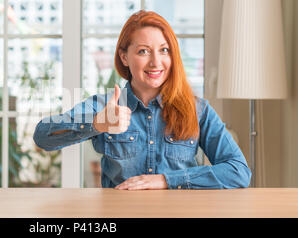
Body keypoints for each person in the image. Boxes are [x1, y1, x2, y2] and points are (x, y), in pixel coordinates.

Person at [33, 10, 251, 190]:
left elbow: (238, 171)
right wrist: (97, 124)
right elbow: (43, 135)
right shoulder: (105, 107)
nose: (156, 62)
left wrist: (166, 180)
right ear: (124, 57)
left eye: (164, 50)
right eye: (144, 51)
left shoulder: (198, 110)